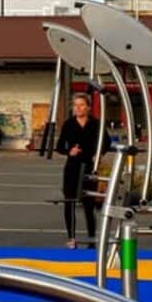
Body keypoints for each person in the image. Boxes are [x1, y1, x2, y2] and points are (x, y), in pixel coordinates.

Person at [55, 93, 109, 249]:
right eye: (75, 105)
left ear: (88, 107)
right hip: (72, 168)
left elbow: (106, 142)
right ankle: (71, 238)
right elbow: (60, 146)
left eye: (81, 105)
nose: (78, 108)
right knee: (70, 203)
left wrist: (98, 155)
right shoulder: (68, 124)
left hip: (89, 168)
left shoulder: (96, 124)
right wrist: (69, 151)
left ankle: (91, 240)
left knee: (89, 205)